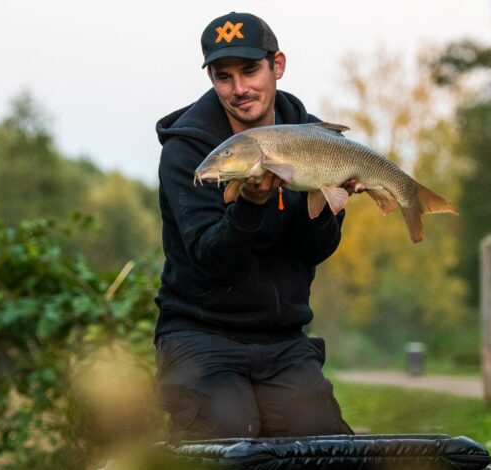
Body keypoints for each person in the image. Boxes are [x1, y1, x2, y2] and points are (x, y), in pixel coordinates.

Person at [154, 11, 356, 441]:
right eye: (223, 76)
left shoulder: (313, 140)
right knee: (231, 434)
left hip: (283, 339)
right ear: (211, 78)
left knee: (322, 444)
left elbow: (313, 251)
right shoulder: (187, 152)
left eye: (249, 71)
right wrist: (249, 204)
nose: (239, 89)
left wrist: (328, 204)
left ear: (276, 66)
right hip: (200, 335)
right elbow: (211, 260)